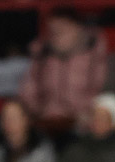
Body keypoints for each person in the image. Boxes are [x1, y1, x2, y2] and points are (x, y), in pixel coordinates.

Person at [18, 6, 107, 143]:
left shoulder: (94, 50)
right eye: (53, 31)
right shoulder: (41, 52)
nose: (56, 35)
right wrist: (38, 112)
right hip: (47, 121)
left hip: (84, 122)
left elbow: (102, 87)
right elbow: (29, 87)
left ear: (77, 28)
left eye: (62, 30)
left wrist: (87, 113)